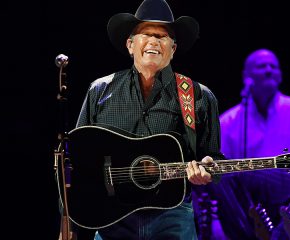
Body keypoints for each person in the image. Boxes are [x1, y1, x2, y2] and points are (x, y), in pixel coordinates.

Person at [61, 0, 225, 239]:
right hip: (112, 219)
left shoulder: (199, 96)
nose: (154, 41)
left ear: (173, 49)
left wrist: (208, 169)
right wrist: (70, 221)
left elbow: (214, 158)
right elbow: (74, 156)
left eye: (163, 36)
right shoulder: (100, 90)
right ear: (130, 45)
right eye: (146, 33)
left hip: (172, 217)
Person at [196, 48, 290, 240]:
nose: (268, 70)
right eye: (261, 66)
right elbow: (218, 170)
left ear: (280, 74)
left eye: (273, 66)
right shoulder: (229, 122)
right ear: (246, 76)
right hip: (249, 212)